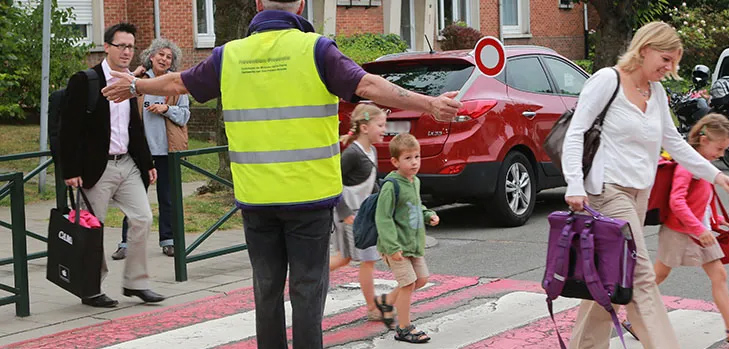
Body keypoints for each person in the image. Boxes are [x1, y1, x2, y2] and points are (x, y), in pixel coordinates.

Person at [101, 1, 461, 347]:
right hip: (309, 198)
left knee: (267, 289)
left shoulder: (230, 55)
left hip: (257, 198)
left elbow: (179, 83)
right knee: (307, 291)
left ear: (259, 5)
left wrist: (136, 85)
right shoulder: (318, 50)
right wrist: (429, 103)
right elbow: (368, 86)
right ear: (301, 6)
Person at [561, 21, 729, 349]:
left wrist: (715, 174)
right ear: (644, 50)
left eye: (675, 61)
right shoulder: (607, 80)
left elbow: (674, 141)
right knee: (641, 274)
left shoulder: (656, 92)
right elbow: (576, 132)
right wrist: (574, 183)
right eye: (665, 59)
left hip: (639, 194)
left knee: (612, 278)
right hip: (606, 191)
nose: (670, 68)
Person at [59, 23, 164, 308]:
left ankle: (136, 283)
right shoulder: (86, 80)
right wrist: (70, 171)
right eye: (122, 46)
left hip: (127, 164)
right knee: (93, 229)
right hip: (96, 168)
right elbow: (68, 129)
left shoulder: (131, 81)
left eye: (131, 47)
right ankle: (91, 287)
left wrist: (147, 162)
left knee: (143, 218)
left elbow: (133, 125)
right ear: (107, 47)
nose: (127, 52)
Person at [647, 114, 729, 343]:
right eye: (719, 148)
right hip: (679, 233)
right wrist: (699, 229)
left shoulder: (702, 164)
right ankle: (632, 310)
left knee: (718, 275)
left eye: (724, 150)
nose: (721, 155)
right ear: (703, 139)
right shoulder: (687, 164)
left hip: (698, 233)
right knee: (658, 275)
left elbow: (700, 200)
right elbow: (677, 202)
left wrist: (716, 219)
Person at [113, 38, 190, 260]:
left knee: (167, 198)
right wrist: (136, 74)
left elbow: (185, 115)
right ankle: (126, 244)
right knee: (133, 199)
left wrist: (167, 109)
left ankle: (169, 241)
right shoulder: (138, 81)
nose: (165, 59)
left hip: (167, 150)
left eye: (169, 57)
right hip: (140, 152)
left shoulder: (177, 84)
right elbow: (118, 105)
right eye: (161, 55)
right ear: (151, 57)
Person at [328, 104, 391, 326]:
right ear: (364, 127)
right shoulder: (353, 154)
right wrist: (344, 212)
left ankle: (309, 273)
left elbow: (370, 183)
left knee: (359, 259)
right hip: (349, 215)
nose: (385, 129)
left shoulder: (371, 151)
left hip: (362, 215)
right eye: (380, 125)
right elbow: (334, 181)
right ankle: (373, 308)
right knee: (364, 259)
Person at [375, 133, 439, 343]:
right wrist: (392, 247)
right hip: (395, 246)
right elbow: (383, 218)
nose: (414, 162)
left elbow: (415, 205)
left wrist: (427, 214)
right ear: (395, 161)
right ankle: (403, 328)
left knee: (421, 280)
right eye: (408, 158)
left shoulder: (415, 181)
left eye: (417, 157)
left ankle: (387, 301)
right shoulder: (391, 185)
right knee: (408, 284)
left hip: (413, 244)